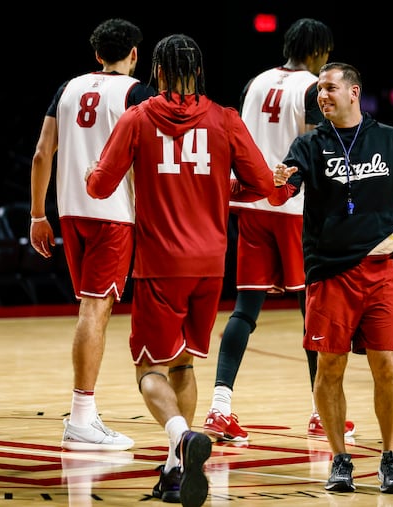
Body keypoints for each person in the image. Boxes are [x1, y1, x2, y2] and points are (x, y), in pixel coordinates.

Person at [86, 33, 274, 507]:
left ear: (160, 72)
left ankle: (183, 437)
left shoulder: (137, 117)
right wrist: (228, 186)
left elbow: (99, 188)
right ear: (199, 71)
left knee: (149, 369)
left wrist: (93, 170)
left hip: (159, 264)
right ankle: (176, 469)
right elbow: (264, 186)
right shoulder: (226, 119)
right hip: (210, 265)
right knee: (185, 363)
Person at [270, 62, 393, 494]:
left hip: (382, 271)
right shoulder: (309, 145)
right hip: (330, 274)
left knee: (386, 364)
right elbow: (282, 192)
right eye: (319, 90)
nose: (322, 96)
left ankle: (390, 458)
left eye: (330, 88)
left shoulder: (389, 139)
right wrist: (276, 182)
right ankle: (340, 460)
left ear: (354, 92)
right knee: (328, 368)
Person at [202, 17, 355, 443]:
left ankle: (219, 408)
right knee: (314, 311)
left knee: (245, 310)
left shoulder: (255, 82)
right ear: (320, 51)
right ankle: (321, 412)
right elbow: (315, 149)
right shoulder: (314, 87)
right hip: (293, 206)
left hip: (251, 204)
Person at [29, 18, 155, 452]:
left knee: (90, 306)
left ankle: (85, 416)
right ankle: (81, 418)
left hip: (69, 211)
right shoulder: (138, 92)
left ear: (97, 54)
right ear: (134, 54)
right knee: (95, 310)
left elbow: (43, 152)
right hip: (113, 212)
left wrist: (35, 214)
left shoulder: (67, 87)